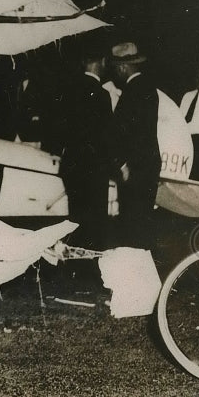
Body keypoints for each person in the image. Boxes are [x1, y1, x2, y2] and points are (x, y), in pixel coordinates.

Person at [108, 42, 161, 252]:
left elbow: (120, 134)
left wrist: (122, 165)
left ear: (123, 68)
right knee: (143, 222)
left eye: (116, 69)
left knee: (131, 225)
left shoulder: (131, 93)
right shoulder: (150, 89)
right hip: (149, 165)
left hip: (135, 168)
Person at [59, 49, 112, 250]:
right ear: (101, 62)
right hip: (94, 168)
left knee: (76, 215)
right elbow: (106, 136)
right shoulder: (103, 95)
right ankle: (86, 266)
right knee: (95, 220)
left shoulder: (69, 88)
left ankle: (71, 261)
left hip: (72, 164)